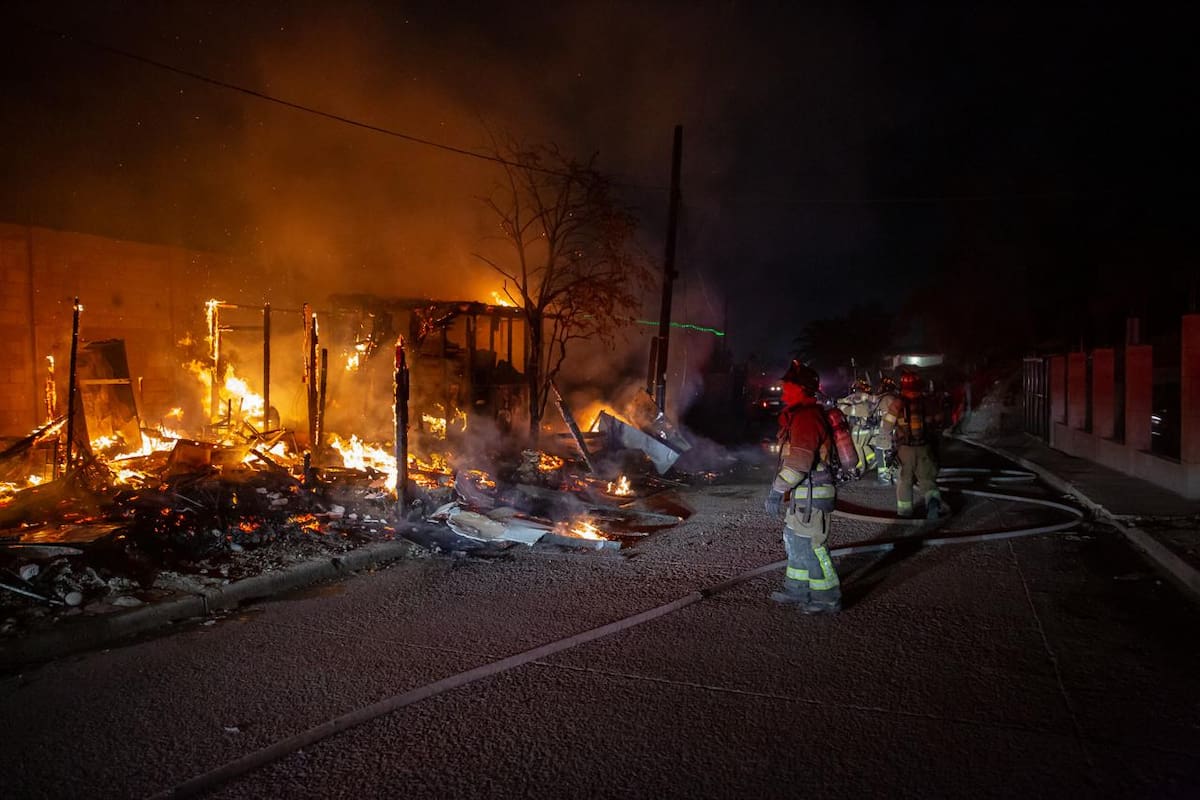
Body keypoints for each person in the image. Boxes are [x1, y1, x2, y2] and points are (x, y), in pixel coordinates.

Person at [763, 360, 847, 613]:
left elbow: (799, 463)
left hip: (813, 493)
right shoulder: (800, 415)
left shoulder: (807, 418)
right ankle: (797, 589)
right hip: (804, 493)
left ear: (801, 389)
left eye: (788, 386)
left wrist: (776, 491)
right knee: (796, 541)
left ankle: (827, 597)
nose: (784, 390)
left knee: (812, 546)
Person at [878, 369, 948, 519]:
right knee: (927, 479)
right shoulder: (928, 401)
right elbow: (940, 421)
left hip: (905, 449)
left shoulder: (897, 403)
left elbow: (886, 427)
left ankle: (905, 512)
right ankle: (933, 503)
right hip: (925, 447)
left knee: (905, 481)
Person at [836, 377, 876, 476]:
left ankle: (860, 468)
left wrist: (839, 406)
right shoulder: (868, 399)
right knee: (864, 445)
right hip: (868, 429)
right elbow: (846, 400)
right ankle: (872, 458)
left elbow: (848, 407)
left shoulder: (858, 399)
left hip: (860, 430)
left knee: (857, 446)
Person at [868, 375, 899, 484]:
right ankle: (894, 476)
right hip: (889, 430)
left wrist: (886, 431)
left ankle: (884, 478)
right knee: (887, 452)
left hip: (887, 431)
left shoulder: (887, 399)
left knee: (881, 451)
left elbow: (889, 418)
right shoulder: (891, 398)